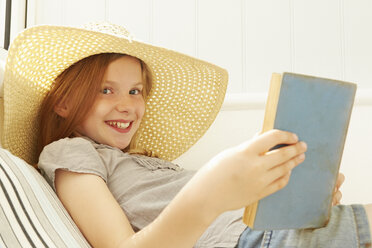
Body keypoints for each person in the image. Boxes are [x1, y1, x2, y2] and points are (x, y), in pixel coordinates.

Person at [2, 22, 371, 248]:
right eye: (106, 90)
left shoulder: (143, 163)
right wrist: (209, 192)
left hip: (267, 230)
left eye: (135, 91)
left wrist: (294, 198)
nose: (128, 105)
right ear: (64, 103)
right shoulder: (70, 152)